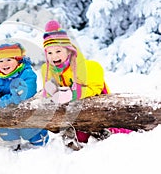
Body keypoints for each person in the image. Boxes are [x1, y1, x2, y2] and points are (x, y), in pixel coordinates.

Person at [41, 20, 113, 149]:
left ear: (68, 51)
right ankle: (74, 134)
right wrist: (51, 91)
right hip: (74, 107)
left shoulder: (84, 67)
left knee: (112, 128)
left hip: (95, 100)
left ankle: (101, 131)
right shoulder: (47, 69)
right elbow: (49, 93)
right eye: (49, 53)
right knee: (80, 136)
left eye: (58, 51)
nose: (53, 56)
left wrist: (71, 94)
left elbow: (95, 88)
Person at [0, 42, 49, 150]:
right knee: (6, 128)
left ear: (18, 60)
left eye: (9, 60)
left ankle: (39, 141)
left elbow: (25, 92)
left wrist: (7, 99)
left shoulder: (27, 73)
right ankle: (13, 143)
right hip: (7, 112)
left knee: (29, 129)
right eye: (1, 61)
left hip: (26, 110)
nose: (4, 64)